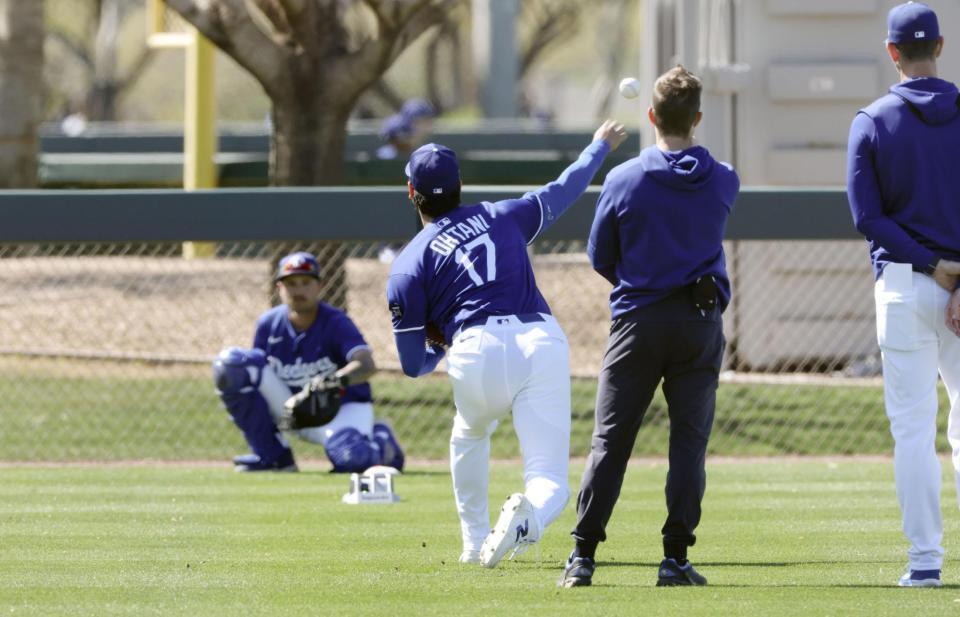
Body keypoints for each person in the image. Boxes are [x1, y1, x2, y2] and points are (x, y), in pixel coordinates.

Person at [386, 120, 627, 567]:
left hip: (474, 349)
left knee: (469, 433)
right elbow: (565, 188)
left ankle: (475, 541)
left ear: (410, 193)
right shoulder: (503, 215)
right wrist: (598, 147)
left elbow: (412, 365)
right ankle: (526, 520)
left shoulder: (406, 265)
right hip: (540, 340)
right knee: (549, 478)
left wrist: (439, 347)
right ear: (461, 184)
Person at [558, 65, 739, 588]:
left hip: (638, 321)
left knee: (610, 441)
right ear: (697, 118)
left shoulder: (623, 178)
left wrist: (639, 280)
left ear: (651, 115)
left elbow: (600, 255)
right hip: (698, 323)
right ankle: (675, 559)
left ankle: (583, 558)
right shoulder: (725, 178)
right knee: (688, 444)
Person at [846, 1, 960, 588]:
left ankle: (925, 563)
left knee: (913, 432)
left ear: (893, 53)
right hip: (958, 286)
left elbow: (868, 217)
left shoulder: (872, 119)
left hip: (903, 286)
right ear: (939, 46)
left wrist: (933, 264)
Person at [212, 251, 404, 473]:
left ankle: (380, 439)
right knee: (232, 366)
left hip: (340, 409)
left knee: (352, 460)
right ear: (279, 288)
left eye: (306, 282)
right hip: (293, 409)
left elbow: (367, 364)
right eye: (291, 283)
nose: (298, 290)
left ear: (320, 286)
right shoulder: (268, 324)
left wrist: (335, 380)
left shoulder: (336, 322)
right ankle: (273, 457)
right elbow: (257, 379)